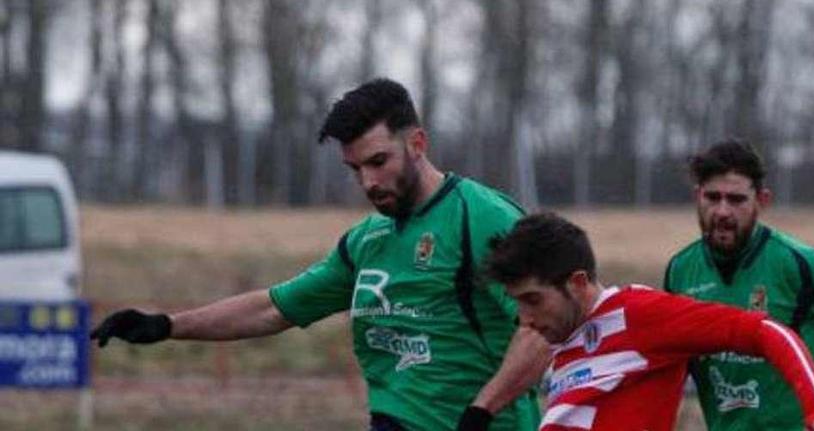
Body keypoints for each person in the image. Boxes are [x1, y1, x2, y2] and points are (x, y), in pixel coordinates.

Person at [90, 78, 546, 431]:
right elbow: (273, 308)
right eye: (355, 169)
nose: (368, 183)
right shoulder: (368, 240)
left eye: (378, 162)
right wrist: (167, 325)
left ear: (417, 144)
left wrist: (480, 413)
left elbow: (541, 332)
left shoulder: (483, 218)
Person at [474, 211, 814, 431]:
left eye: (533, 300)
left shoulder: (641, 316)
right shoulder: (568, 339)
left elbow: (765, 330)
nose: (524, 318)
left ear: (577, 283)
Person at [664, 139, 814, 431]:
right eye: (712, 197)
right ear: (697, 197)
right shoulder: (681, 271)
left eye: (736, 199)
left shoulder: (801, 263)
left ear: (761, 201)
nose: (723, 211)